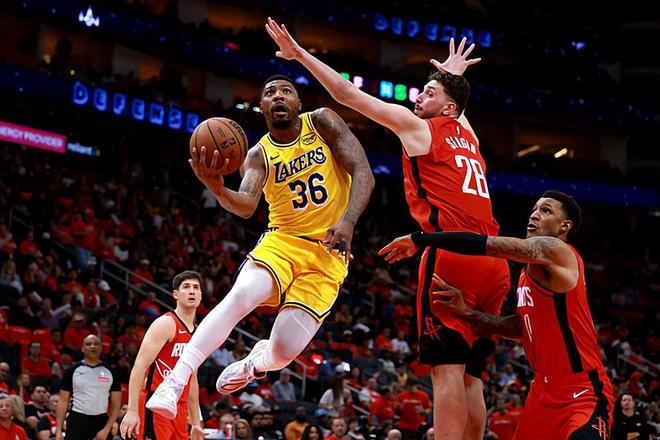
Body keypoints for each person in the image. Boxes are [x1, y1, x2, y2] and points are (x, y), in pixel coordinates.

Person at [266, 19, 509, 440]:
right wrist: (451, 77)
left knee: (446, 371)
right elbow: (458, 105)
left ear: (446, 108)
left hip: (452, 255)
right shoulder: (468, 137)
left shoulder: (421, 128)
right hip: (494, 261)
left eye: (429, 92)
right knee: (472, 376)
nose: (419, 96)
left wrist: (300, 55)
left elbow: (347, 95)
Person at [146, 73, 374, 419]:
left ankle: (255, 363)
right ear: (262, 107)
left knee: (284, 352)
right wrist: (217, 188)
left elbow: (363, 171)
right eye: (270, 93)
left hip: (328, 253)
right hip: (283, 241)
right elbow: (246, 205)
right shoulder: (258, 154)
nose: (278, 96)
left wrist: (348, 221)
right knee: (241, 295)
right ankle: (175, 380)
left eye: (286, 91)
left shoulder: (322, 122)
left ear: (298, 103)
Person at [380, 190, 614, 439]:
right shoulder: (527, 275)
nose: (534, 215)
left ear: (564, 226)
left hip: (581, 390)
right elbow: (519, 329)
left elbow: (487, 245)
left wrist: (422, 238)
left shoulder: (558, 250)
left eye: (546, 211)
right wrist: (468, 312)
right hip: (542, 393)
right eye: (535, 209)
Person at [119, 271, 205, 439]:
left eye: (196, 287)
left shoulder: (199, 333)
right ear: (175, 294)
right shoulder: (165, 324)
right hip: (156, 401)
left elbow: (192, 378)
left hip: (180, 407)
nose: (192, 291)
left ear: (201, 295)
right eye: (186, 287)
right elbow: (139, 366)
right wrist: (132, 410)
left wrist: (195, 422)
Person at [55, 335, 122, 440]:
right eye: (88, 344)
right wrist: (58, 431)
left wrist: (106, 429)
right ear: (82, 348)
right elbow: (63, 401)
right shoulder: (72, 371)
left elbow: (116, 405)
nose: (92, 346)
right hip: (77, 420)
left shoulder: (111, 372)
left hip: (101, 421)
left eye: (96, 344)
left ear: (101, 348)